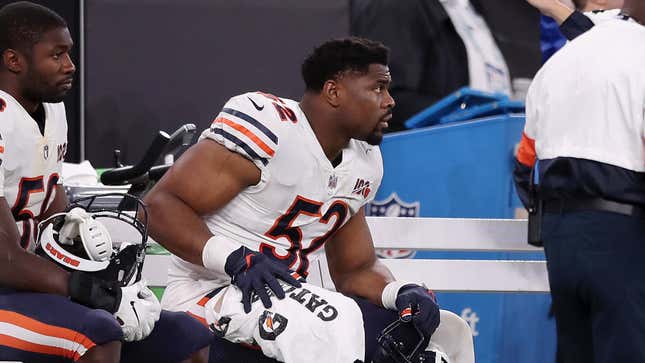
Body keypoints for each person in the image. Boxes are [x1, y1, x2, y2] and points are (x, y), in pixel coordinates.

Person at [143, 37, 474, 363]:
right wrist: (235, 259)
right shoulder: (271, 128)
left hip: (289, 302)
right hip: (213, 295)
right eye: (377, 88)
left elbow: (354, 269)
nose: (390, 101)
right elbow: (158, 206)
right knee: (337, 321)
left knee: (441, 334)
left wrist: (398, 292)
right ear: (334, 92)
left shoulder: (364, 161)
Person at [0, 2, 211, 362]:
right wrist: (93, 291)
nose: (70, 66)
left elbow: (56, 216)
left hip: (31, 284)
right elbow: (4, 258)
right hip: (8, 285)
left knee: (186, 336)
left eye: (70, 53)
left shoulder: (51, 110)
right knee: (96, 334)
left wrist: (103, 270)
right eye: (57, 55)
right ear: (14, 60)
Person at [513, 1, 645, 361]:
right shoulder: (639, 52)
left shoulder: (558, 63)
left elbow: (524, 163)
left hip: (560, 239)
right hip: (622, 232)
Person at [352, 0, 511, 131]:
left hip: (491, 145)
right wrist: (463, 114)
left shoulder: (470, 10)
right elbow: (380, 95)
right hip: (430, 154)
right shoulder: (393, 7)